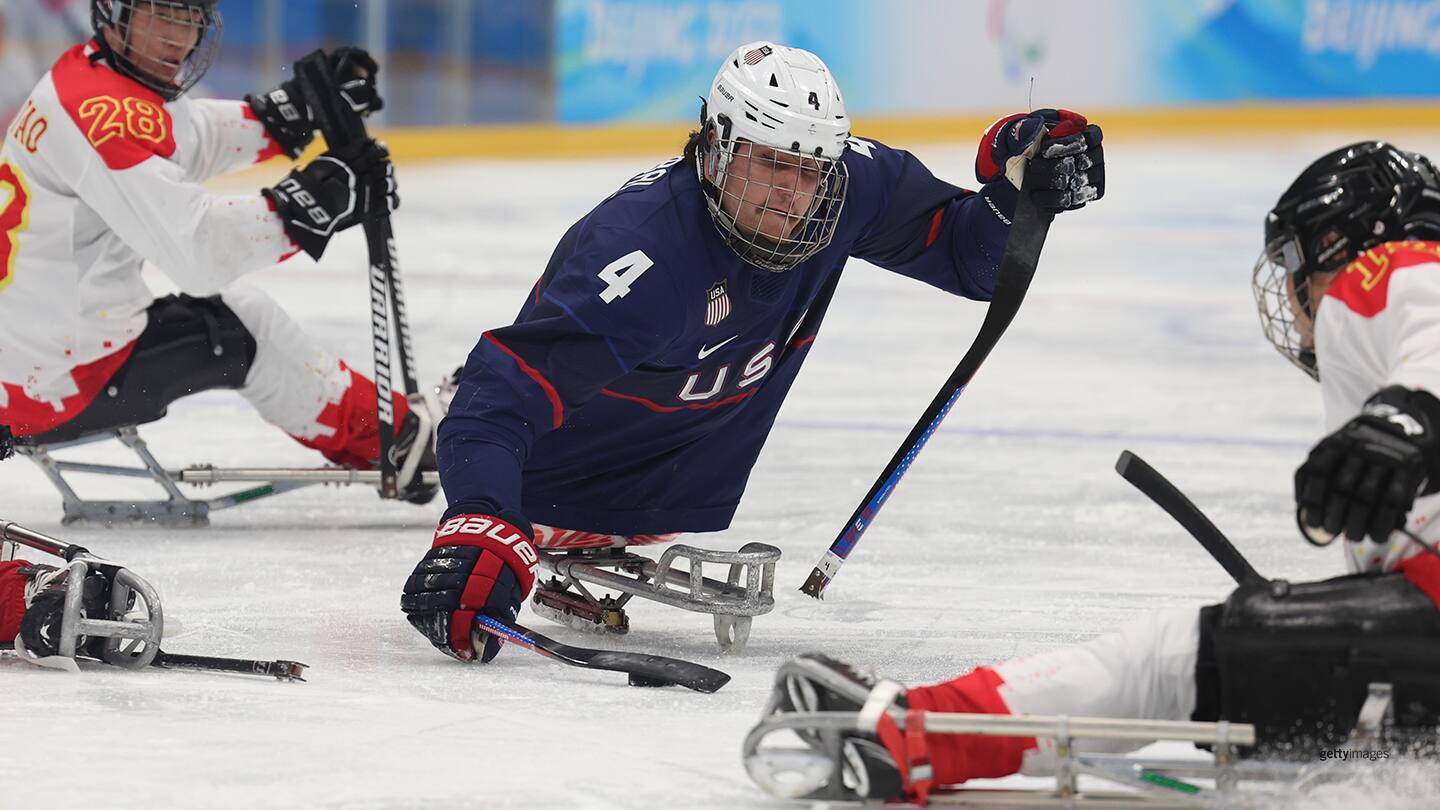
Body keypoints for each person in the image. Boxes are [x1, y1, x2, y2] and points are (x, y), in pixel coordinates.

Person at [755, 142, 1440, 804]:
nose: (1290, 297)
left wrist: (1406, 419)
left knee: (1166, 663)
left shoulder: (1389, 270)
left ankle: (912, 735)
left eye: (1292, 262)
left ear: (1335, 245)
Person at [400, 41, 1106, 662]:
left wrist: (1016, 195)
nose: (791, 194)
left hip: (664, 484)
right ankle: (412, 426)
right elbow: (499, 396)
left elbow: (967, 259)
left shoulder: (843, 189)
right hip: (553, 487)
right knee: (465, 418)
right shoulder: (646, 255)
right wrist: (484, 521)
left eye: (809, 169)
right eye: (770, 163)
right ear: (716, 145)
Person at [0, 0, 437, 503]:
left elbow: (186, 136)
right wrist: (315, 201)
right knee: (246, 328)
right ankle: (400, 443)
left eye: (190, 20)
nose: (178, 36)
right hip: (58, 385)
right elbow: (199, 254)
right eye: (161, 16)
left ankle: (389, 432)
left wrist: (288, 114)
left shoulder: (87, 74)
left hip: (25, 369)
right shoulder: (106, 117)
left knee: (227, 316)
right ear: (116, 14)